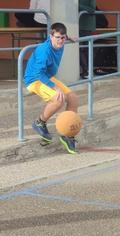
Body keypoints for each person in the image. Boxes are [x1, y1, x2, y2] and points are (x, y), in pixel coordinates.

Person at [24, 22, 80, 154]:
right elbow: (38, 73)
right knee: (58, 99)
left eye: (63, 37)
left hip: (48, 77)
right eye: (57, 37)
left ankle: (67, 133)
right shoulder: (44, 50)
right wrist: (54, 87)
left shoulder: (61, 42)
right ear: (50, 36)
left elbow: (61, 37)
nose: (60, 41)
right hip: (34, 79)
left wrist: (70, 37)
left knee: (73, 98)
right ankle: (40, 122)